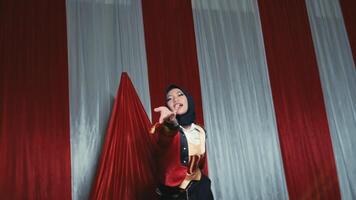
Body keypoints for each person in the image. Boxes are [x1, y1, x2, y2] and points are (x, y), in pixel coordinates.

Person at [151, 84, 214, 200]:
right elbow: (166, 136)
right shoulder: (163, 129)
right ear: (167, 106)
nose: (175, 99)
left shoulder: (200, 130)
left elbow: (201, 163)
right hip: (174, 195)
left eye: (180, 94)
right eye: (169, 98)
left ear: (188, 100)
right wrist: (171, 123)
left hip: (200, 189)